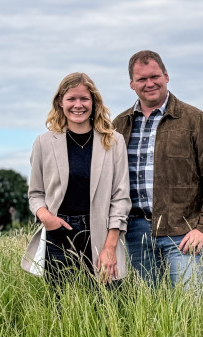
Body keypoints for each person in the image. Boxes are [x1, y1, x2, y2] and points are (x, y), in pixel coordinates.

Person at [112, 50, 203, 288]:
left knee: (188, 311)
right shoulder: (120, 124)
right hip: (136, 232)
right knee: (149, 312)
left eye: (154, 76)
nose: (149, 83)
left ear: (166, 76)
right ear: (131, 84)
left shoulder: (192, 118)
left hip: (182, 232)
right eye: (142, 79)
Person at [21, 72, 131, 287]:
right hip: (58, 234)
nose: (78, 105)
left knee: (106, 306)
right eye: (71, 98)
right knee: (64, 308)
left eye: (84, 98)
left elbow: (121, 197)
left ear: (94, 102)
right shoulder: (44, 142)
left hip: (101, 233)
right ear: (60, 102)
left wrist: (110, 247)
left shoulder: (113, 142)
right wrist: (47, 219)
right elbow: (35, 194)